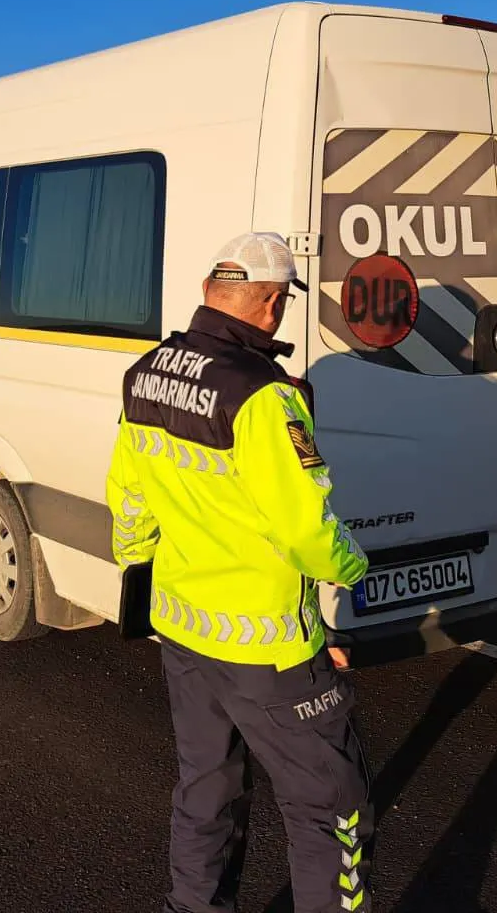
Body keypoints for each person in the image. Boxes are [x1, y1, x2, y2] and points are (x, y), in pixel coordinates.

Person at [106, 232, 374, 913]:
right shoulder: (264, 397)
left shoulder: (146, 374)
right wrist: (355, 568)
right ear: (272, 303)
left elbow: (129, 501)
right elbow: (306, 531)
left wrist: (142, 575)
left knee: (206, 787)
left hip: (184, 632)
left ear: (208, 293)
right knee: (331, 805)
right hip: (269, 648)